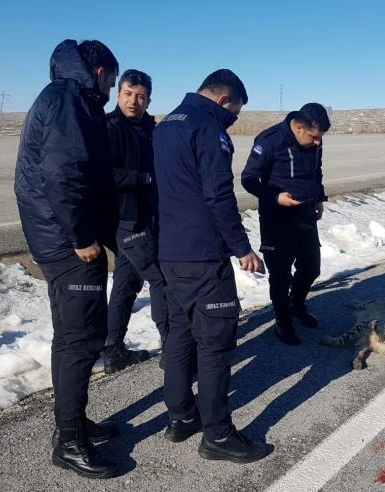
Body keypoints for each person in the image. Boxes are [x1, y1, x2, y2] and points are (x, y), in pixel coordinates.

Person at [14, 39, 120, 479]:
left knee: (70, 337)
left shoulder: (63, 96)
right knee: (82, 339)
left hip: (57, 238)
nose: (112, 89)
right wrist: (82, 236)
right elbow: (63, 173)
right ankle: (70, 443)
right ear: (99, 72)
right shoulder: (69, 101)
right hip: (68, 243)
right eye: (112, 80)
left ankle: (72, 422)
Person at [152, 69, 268, 463]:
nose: (233, 119)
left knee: (180, 336)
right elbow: (218, 194)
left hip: (170, 252)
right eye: (235, 112)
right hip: (202, 256)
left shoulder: (166, 125)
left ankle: (181, 417)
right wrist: (241, 248)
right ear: (223, 100)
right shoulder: (208, 128)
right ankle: (217, 434)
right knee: (216, 343)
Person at [241, 103, 330, 345]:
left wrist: (319, 198)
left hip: (305, 214)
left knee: (311, 268)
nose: (317, 143)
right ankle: (282, 321)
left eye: (321, 138)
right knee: (280, 275)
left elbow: (316, 171)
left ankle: (296, 306)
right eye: (313, 137)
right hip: (276, 218)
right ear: (298, 127)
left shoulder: (315, 142)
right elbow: (248, 179)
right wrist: (275, 197)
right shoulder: (269, 141)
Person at [103, 69, 171, 373]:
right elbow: (103, 175)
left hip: (148, 217)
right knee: (161, 277)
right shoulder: (109, 128)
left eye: (141, 96)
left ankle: (113, 350)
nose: (134, 101)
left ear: (148, 100)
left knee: (126, 283)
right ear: (118, 95)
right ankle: (172, 348)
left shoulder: (149, 128)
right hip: (126, 220)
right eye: (128, 94)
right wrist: (145, 179)